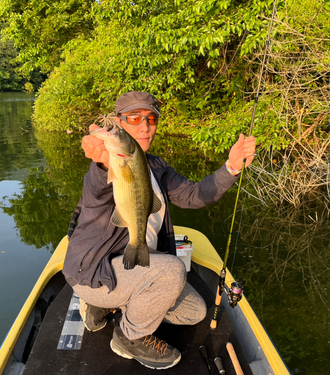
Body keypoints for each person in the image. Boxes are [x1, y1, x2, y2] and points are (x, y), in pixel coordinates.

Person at [63, 91, 256, 370]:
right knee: (173, 269)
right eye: (134, 118)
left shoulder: (157, 167)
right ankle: (127, 336)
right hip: (95, 272)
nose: (144, 126)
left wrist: (232, 166)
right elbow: (99, 179)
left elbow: (196, 195)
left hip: (135, 269)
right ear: (119, 122)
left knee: (195, 311)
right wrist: (102, 160)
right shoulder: (110, 164)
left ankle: (112, 305)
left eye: (151, 118)